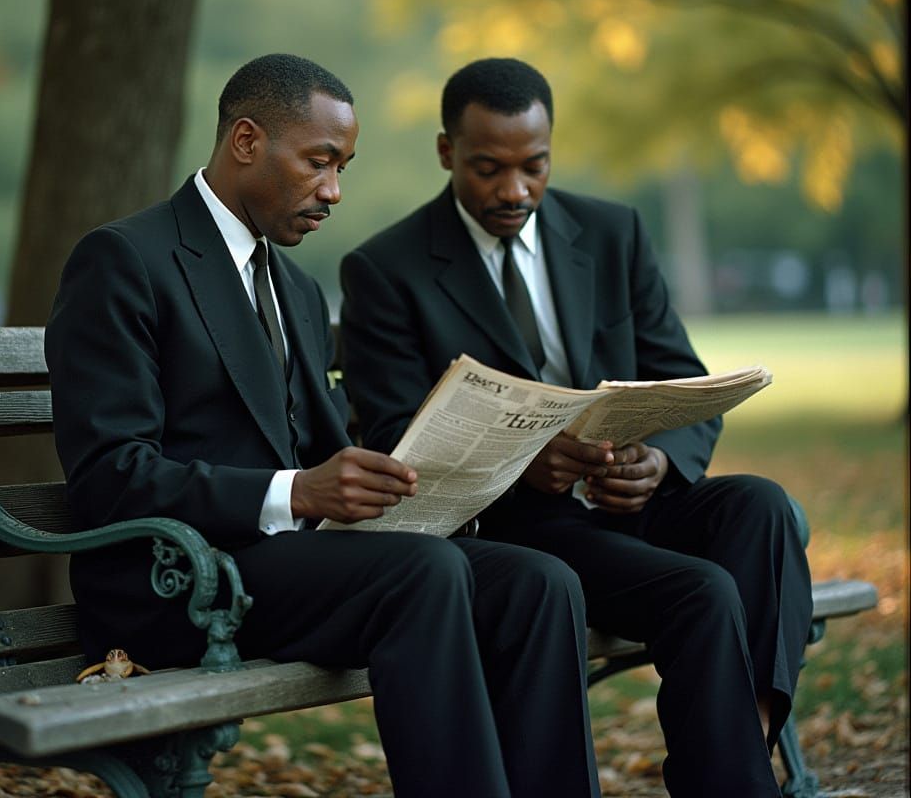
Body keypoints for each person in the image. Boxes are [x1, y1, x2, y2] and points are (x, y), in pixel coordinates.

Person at [46, 53, 601, 798]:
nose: (334, 191)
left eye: (343, 167)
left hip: (298, 569)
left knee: (538, 581)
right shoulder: (124, 260)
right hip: (179, 580)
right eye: (319, 162)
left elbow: (327, 450)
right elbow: (110, 477)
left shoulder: (299, 289)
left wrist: (430, 475)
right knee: (425, 575)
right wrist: (297, 493)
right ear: (246, 140)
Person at [340, 56, 814, 798]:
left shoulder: (611, 232)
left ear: (552, 149)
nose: (514, 190)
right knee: (704, 592)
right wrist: (524, 460)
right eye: (488, 168)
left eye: (534, 166)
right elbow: (400, 438)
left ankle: (740, 741)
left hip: (634, 498)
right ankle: (735, 780)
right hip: (525, 529)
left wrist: (658, 461)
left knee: (763, 506)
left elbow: (677, 373)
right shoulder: (387, 269)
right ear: (446, 153)